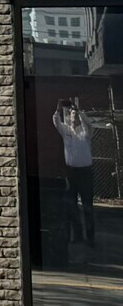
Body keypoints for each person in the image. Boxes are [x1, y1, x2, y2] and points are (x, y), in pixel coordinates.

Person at [54, 97, 98, 248]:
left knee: (87, 206)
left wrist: (79, 111)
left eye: (75, 115)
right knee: (72, 206)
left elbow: (89, 124)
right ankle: (77, 235)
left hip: (85, 173)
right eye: (71, 114)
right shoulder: (66, 131)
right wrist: (58, 109)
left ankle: (90, 238)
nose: (73, 117)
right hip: (71, 173)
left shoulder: (85, 133)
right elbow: (56, 122)